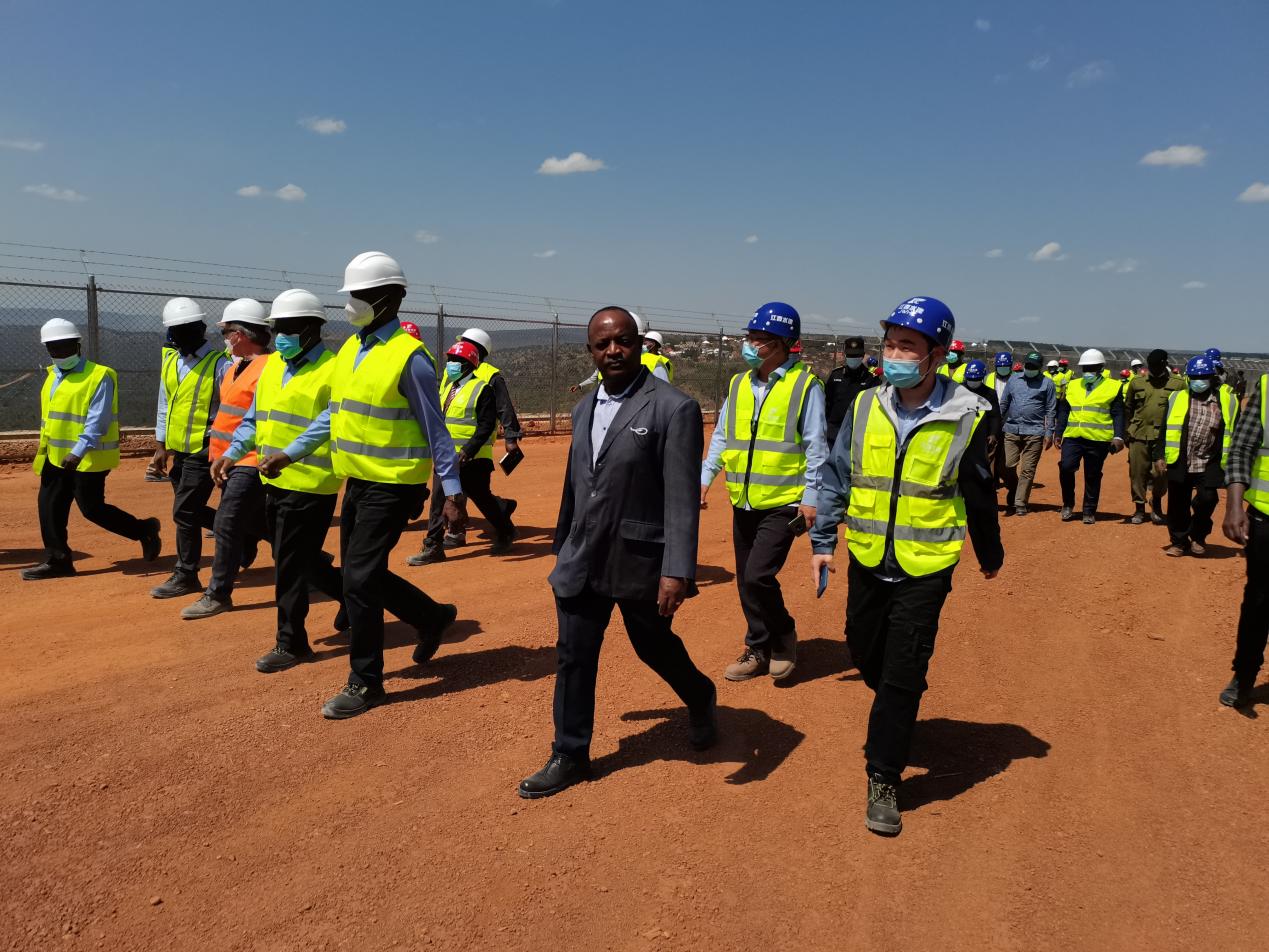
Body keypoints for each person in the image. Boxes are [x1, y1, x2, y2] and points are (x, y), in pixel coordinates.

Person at [811, 295, 1003, 835]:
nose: (894, 355)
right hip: (869, 555)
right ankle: (899, 701)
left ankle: (884, 776)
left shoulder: (967, 413)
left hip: (926, 564)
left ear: (936, 355)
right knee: (862, 649)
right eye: (890, 344)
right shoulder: (865, 405)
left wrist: (989, 552)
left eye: (907, 346)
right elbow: (838, 474)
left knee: (902, 670)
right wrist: (824, 540)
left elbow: (978, 489)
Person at [518, 306, 716, 799]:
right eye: (602, 344)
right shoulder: (583, 408)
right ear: (590, 351)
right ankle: (570, 753)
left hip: (639, 558)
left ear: (639, 345)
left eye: (623, 341)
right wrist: (563, 546)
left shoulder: (673, 408)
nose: (613, 351)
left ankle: (699, 695)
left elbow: (680, 496)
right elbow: (576, 484)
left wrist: (676, 569)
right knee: (574, 654)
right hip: (583, 556)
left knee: (652, 645)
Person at [311, 251, 468, 718]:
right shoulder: (352, 349)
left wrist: (453, 493)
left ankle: (365, 682)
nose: (351, 303)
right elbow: (335, 414)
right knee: (362, 575)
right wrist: (291, 450)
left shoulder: (409, 358)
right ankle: (431, 616)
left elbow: (437, 430)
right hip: (358, 481)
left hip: (395, 486)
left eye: (359, 295)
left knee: (359, 581)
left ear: (388, 299)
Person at [211, 289, 352, 673]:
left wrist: (290, 454)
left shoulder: (333, 369)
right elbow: (255, 418)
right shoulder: (274, 365)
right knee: (295, 559)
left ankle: (291, 642)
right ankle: (358, 600)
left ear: (312, 329)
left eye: (290, 328)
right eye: (279, 328)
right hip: (273, 480)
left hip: (311, 483)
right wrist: (233, 452)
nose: (282, 336)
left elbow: (328, 421)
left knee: (288, 564)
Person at [701, 301, 827, 683]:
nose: (751, 344)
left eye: (760, 338)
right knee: (745, 579)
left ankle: (783, 634)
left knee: (758, 575)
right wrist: (705, 477)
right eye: (750, 336)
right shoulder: (739, 383)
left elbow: (816, 446)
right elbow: (722, 435)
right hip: (743, 499)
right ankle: (758, 646)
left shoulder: (805, 386)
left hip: (784, 502)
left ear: (783, 343)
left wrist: (811, 498)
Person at [22, 319, 161, 580]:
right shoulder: (53, 376)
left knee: (92, 509)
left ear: (78, 345)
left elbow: (98, 419)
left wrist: (78, 451)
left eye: (64, 346)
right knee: (49, 507)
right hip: (55, 456)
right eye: (53, 348)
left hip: (87, 458)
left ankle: (144, 530)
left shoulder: (99, 375)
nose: (59, 352)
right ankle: (58, 561)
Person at [180, 299, 271, 619]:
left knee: (227, 522)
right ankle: (314, 563)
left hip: (251, 458)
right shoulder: (235, 367)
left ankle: (218, 593)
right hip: (225, 459)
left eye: (227, 332)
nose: (225, 338)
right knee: (257, 522)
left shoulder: (270, 368)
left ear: (241, 334)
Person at [149, 297, 230, 598]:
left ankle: (186, 574)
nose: (182, 334)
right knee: (191, 510)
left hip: (206, 449)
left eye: (188, 328)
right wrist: (161, 446)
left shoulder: (220, 365)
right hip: (179, 451)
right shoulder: (171, 361)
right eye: (176, 329)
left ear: (202, 328)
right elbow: (164, 404)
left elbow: (233, 409)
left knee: (184, 511)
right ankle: (246, 533)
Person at [409, 341, 517, 564]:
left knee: (482, 499)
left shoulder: (482, 389)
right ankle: (433, 546)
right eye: (450, 359)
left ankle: (505, 531)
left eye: (455, 360)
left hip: (472, 460)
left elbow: (486, 426)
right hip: (446, 457)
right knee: (438, 501)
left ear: (468, 364)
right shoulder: (449, 388)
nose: (450, 364)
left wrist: (468, 451)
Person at [442, 327, 522, 551]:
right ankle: (452, 534)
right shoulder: (452, 375)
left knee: (476, 493)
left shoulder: (490, 376)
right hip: (448, 450)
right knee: (451, 494)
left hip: (476, 448)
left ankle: (500, 518)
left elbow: (504, 407)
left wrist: (511, 437)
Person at [1219, 368, 1269, 708]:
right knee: (1259, 601)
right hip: (1266, 517)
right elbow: (1241, 449)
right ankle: (1245, 673)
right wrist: (1234, 506)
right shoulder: (1267, 388)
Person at [1157, 356, 1237, 558]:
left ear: (1211, 378)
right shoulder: (1177, 398)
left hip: (1209, 460)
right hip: (1180, 458)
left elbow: (1233, 431)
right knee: (1177, 503)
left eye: (1202, 377)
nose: (1197, 381)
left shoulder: (1226, 401)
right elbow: (1164, 428)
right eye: (1193, 377)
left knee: (1208, 498)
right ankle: (1179, 541)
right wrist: (1159, 455)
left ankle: (1198, 536)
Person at [1056, 349, 1126, 524]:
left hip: (1098, 439)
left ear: (1101, 368)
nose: (1088, 371)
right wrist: (1058, 432)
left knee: (1092, 475)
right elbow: (1064, 410)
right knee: (1066, 467)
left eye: (1092, 368)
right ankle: (1068, 504)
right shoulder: (1072, 385)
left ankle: (1089, 510)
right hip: (1073, 436)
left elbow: (1118, 413)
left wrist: (1118, 436)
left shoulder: (1113, 387)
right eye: (1085, 368)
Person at [1122, 349, 1185, 525]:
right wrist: (1127, 431)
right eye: (1151, 366)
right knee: (1137, 473)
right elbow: (1128, 407)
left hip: (1163, 437)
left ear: (1165, 365)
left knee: (1160, 474)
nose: (1154, 369)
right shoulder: (1137, 382)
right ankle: (1139, 508)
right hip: (1139, 434)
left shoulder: (1178, 384)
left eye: (1157, 366)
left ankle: (1156, 500)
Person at [999, 351, 1056, 516]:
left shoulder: (1047, 384)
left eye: (1034, 366)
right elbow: (1004, 403)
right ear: (1024, 364)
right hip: (1011, 429)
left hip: (1035, 432)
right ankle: (1015, 488)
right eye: (1028, 365)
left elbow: (1050, 410)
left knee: (1028, 470)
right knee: (1007, 465)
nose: (1030, 369)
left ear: (1040, 367)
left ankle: (1020, 502)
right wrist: (995, 423)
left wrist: (1049, 432)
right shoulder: (1014, 379)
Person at [570, 311, 668, 391]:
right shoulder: (589, 404)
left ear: (639, 342)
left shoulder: (656, 365)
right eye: (605, 343)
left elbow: (664, 393)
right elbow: (594, 377)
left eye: (624, 341)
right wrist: (580, 385)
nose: (613, 350)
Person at [823, 336, 880, 447]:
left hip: (859, 434)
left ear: (862, 356)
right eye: (850, 356)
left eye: (856, 356)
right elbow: (827, 403)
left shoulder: (871, 379)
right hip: (834, 434)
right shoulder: (836, 376)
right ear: (845, 355)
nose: (853, 359)